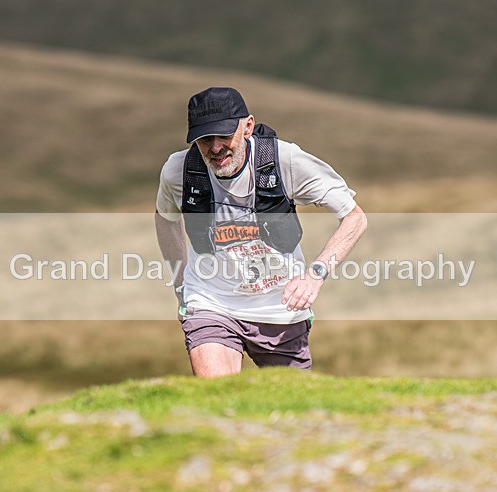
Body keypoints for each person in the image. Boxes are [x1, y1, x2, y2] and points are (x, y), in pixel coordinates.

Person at [155, 87, 367, 377]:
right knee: (217, 396)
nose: (215, 148)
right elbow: (165, 218)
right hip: (211, 302)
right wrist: (182, 284)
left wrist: (314, 275)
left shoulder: (286, 161)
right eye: (205, 139)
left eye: (224, 135)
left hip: (280, 309)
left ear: (248, 127)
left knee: (292, 406)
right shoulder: (179, 170)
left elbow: (354, 217)